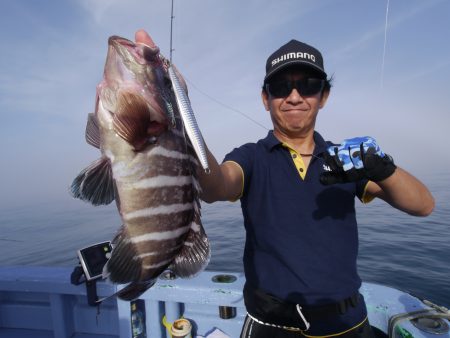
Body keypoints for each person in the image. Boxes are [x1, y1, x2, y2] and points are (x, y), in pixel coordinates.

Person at [196, 38, 435, 337]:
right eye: (281, 87)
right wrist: (181, 121)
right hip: (272, 324)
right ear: (265, 98)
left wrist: (382, 168)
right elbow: (214, 186)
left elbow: (423, 205)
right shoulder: (251, 157)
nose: (294, 97)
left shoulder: (347, 160)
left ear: (323, 96)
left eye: (308, 85)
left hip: (348, 323)